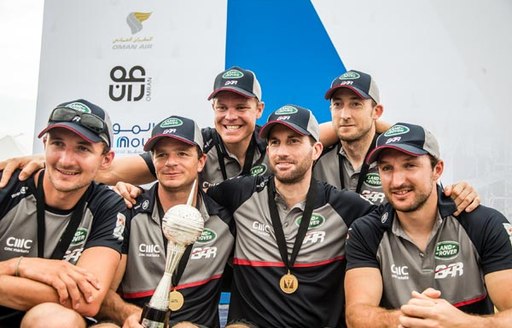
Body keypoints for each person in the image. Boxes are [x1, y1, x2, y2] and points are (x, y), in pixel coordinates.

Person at [208, 104, 378, 327]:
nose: (282, 152)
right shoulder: (238, 194)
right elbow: (185, 192)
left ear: (316, 150)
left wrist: (440, 194)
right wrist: (144, 192)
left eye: (294, 141)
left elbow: (403, 216)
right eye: (275, 143)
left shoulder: (346, 207)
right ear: (267, 150)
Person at [344, 122, 512, 327]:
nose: (397, 181)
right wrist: (413, 317)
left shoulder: (484, 223)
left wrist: (461, 323)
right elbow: (356, 315)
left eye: (410, 165)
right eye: (387, 168)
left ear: (437, 169)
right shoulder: (365, 231)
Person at [94, 115, 234, 328]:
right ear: (153, 161)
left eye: (182, 154)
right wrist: (127, 315)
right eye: (162, 155)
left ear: (201, 161)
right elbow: (102, 294)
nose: (171, 163)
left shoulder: (223, 220)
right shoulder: (128, 210)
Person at [0, 99, 126, 327]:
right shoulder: (6, 186)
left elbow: (89, 299)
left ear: (106, 159)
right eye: (58, 144)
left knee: (58, 319)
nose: (66, 160)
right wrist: (20, 265)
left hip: (44, 318)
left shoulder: (107, 204)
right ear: (45, 144)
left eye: (82, 148)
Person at [314, 70, 477, 215]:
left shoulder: (398, 155)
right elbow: (298, 143)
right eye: (337, 104)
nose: (344, 115)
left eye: (355, 104)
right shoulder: (316, 156)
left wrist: (460, 193)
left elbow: (433, 197)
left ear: (376, 111)